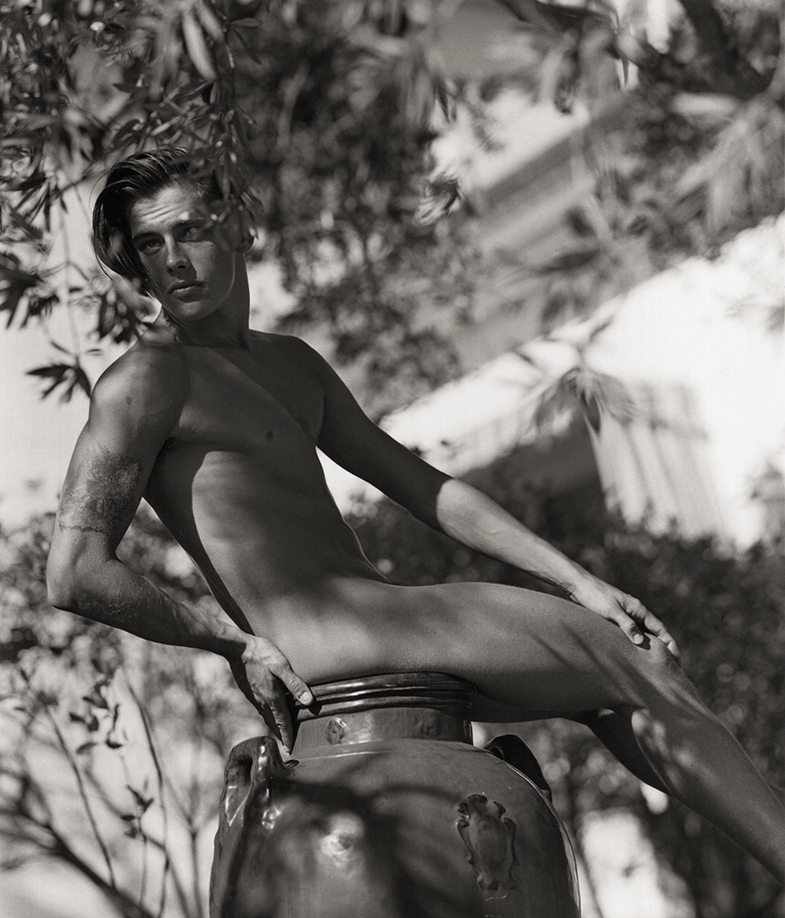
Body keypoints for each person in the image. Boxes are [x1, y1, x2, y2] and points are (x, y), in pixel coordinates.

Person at [47, 148, 784, 881]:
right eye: (151, 244)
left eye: (189, 230)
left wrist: (580, 583)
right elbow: (74, 571)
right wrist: (230, 642)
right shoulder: (147, 380)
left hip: (379, 615)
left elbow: (425, 488)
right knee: (631, 660)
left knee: (619, 697)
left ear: (236, 226)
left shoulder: (294, 365)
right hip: (328, 633)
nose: (172, 259)